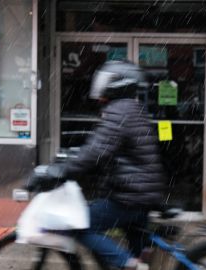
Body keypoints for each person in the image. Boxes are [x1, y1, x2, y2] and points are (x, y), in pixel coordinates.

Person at [28, 60, 168, 270]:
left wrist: (60, 170)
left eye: (105, 81)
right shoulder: (132, 109)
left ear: (116, 85)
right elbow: (105, 149)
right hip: (141, 194)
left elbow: (96, 152)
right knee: (138, 251)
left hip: (129, 196)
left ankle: (127, 263)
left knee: (82, 224)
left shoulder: (119, 112)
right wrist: (72, 159)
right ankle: (132, 262)